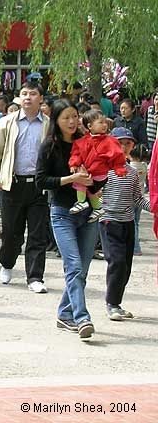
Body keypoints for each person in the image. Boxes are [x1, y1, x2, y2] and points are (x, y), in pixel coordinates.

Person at [35, 99, 96, 340]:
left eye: (74, 116)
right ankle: (82, 317)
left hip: (89, 211)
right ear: (56, 121)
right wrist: (70, 180)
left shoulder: (88, 142)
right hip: (62, 213)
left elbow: (101, 169)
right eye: (65, 118)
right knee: (74, 265)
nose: (72, 122)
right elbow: (41, 181)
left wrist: (95, 179)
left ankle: (64, 312)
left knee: (83, 268)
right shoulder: (49, 147)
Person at [0, 82, 50, 293]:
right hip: (12, 184)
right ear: (18, 99)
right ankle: (7, 263)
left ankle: (35, 277)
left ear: (41, 98)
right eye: (24, 94)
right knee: (11, 232)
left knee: (38, 234)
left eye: (33, 94)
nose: (28, 97)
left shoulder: (49, 125)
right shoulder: (6, 123)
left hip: (39, 186)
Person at [97, 127, 151, 321]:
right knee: (117, 262)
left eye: (128, 143)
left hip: (128, 223)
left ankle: (116, 303)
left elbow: (138, 198)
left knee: (126, 265)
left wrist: (154, 206)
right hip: (109, 222)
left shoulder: (132, 172)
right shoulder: (102, 169)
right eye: (119, 142)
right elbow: (92, 193)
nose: (123, 146)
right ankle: (111, 304)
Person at [68, 109, 127, 222]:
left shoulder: (110, 141)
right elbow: (76, 154)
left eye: (105, 122)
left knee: (80, 181)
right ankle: (98, 208)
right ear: (89, 126)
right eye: (101, 122)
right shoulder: (82, 141)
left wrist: (119, 168)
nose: (105, 125)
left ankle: (81, 202)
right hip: (89, 171)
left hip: (100, 173)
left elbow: (117, 156)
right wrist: (74, 164)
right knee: (90, 190)